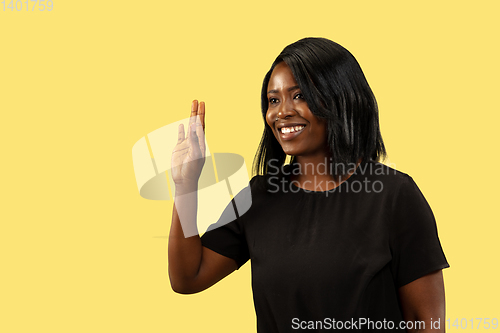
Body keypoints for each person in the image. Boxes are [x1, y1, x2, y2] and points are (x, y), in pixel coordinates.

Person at [168, 37, 449, 332]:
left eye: (299, 95)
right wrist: (185, 185)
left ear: (341, 98)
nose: (282, 112)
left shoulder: (394, 196)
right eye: (273, 99)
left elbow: (425, 321)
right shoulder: (260, 197)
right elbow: (188, 277)